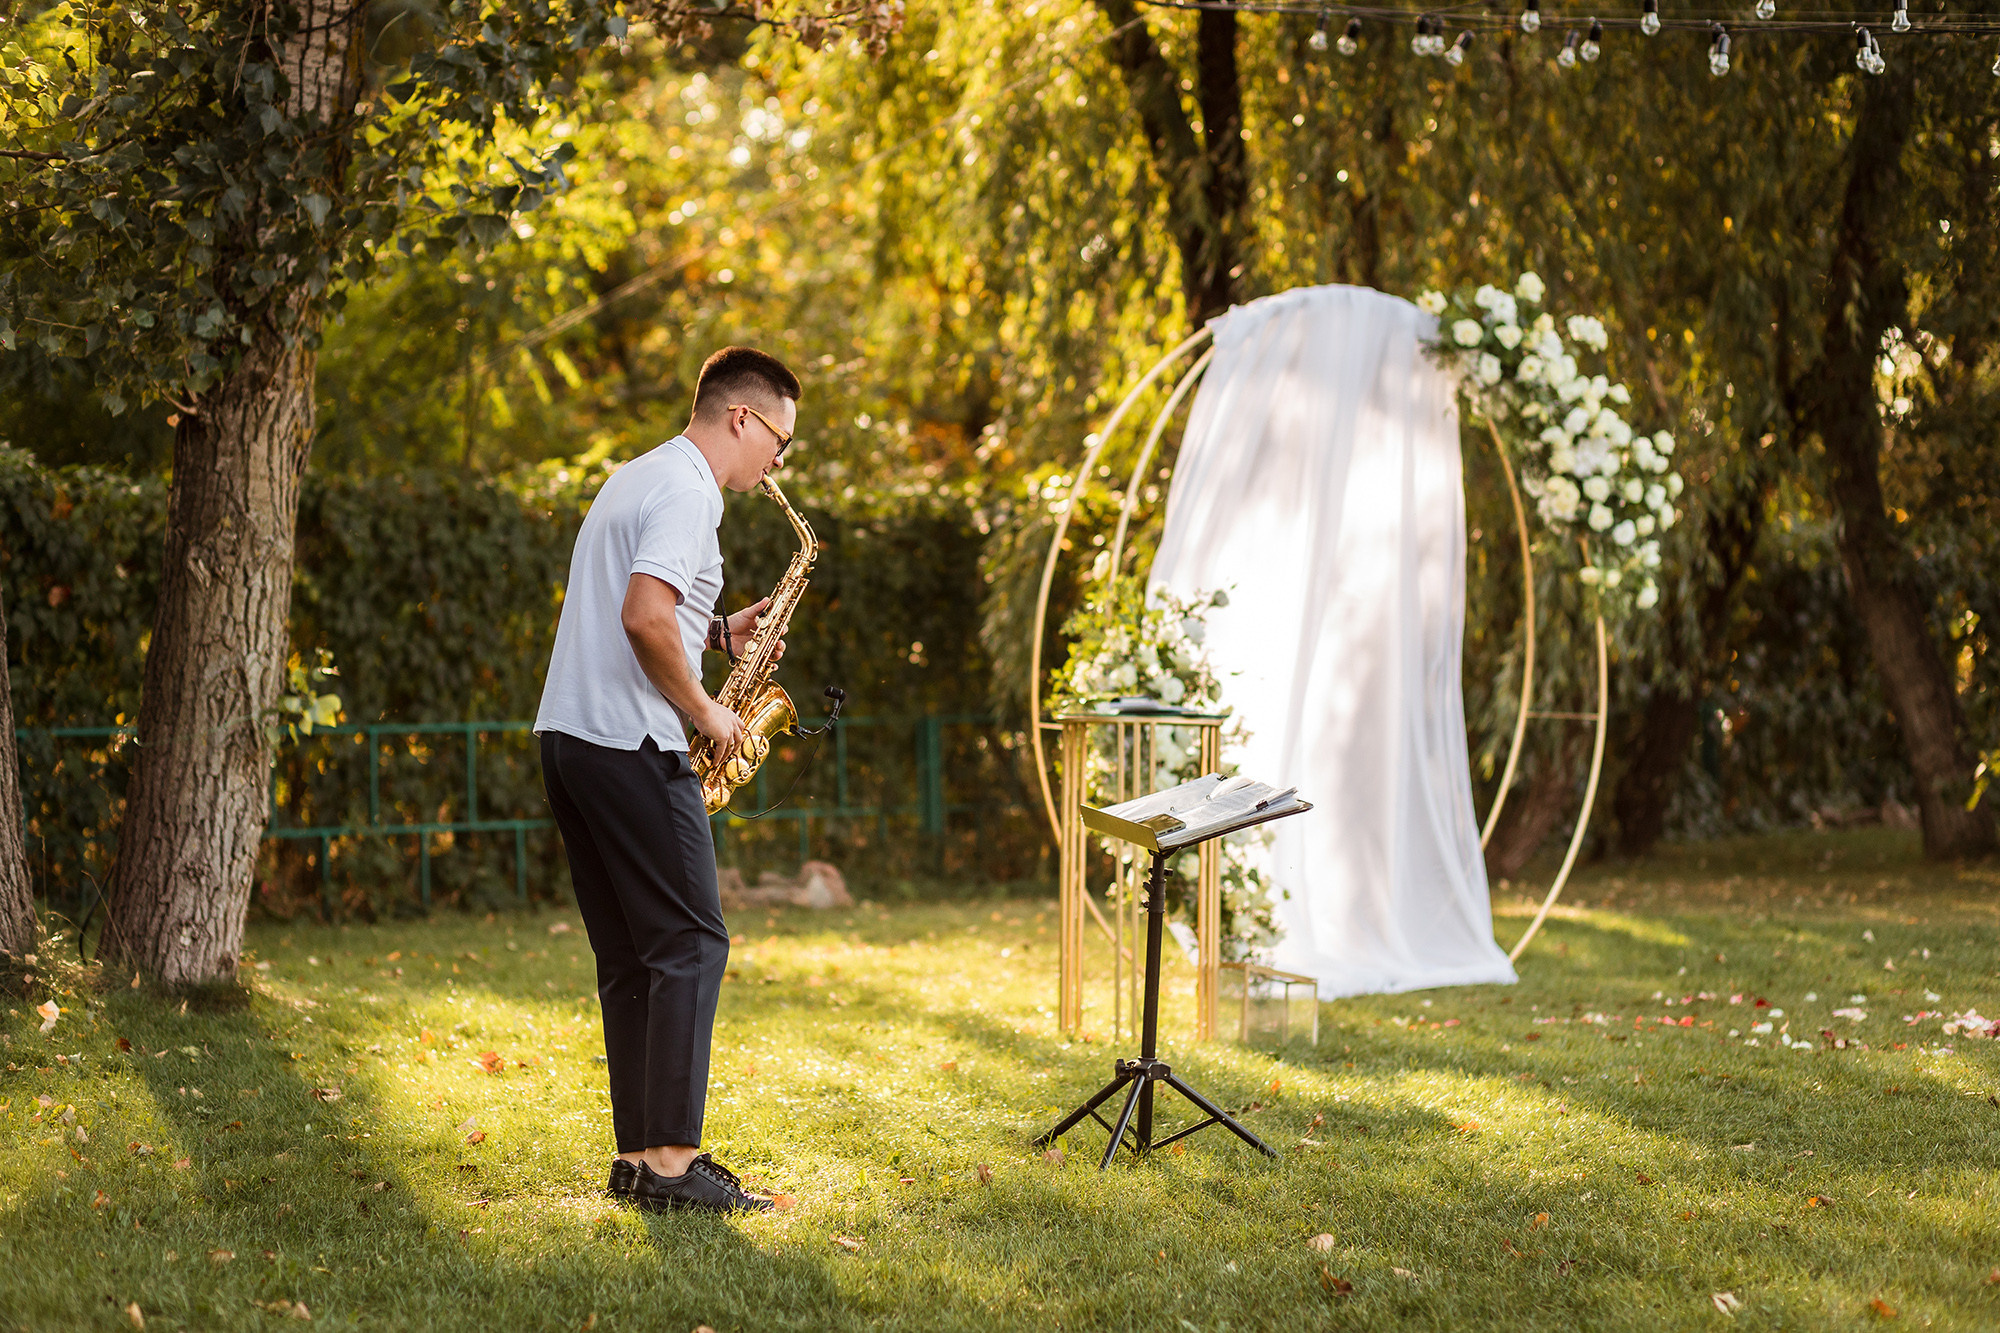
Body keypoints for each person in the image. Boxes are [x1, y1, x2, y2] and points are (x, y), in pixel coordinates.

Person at [534, 346, 800, 1213]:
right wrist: (708, 711)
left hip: (570, 739)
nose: (777, 464)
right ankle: (677, 1167)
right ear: (741, 418)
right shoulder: (692, 492)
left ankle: (637, 1158)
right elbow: (643, 615)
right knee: (691, 944)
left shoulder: (638, 474)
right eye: (780, 441)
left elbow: (652, 612)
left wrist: (719, 633)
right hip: (633, 742)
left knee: (631, 955)